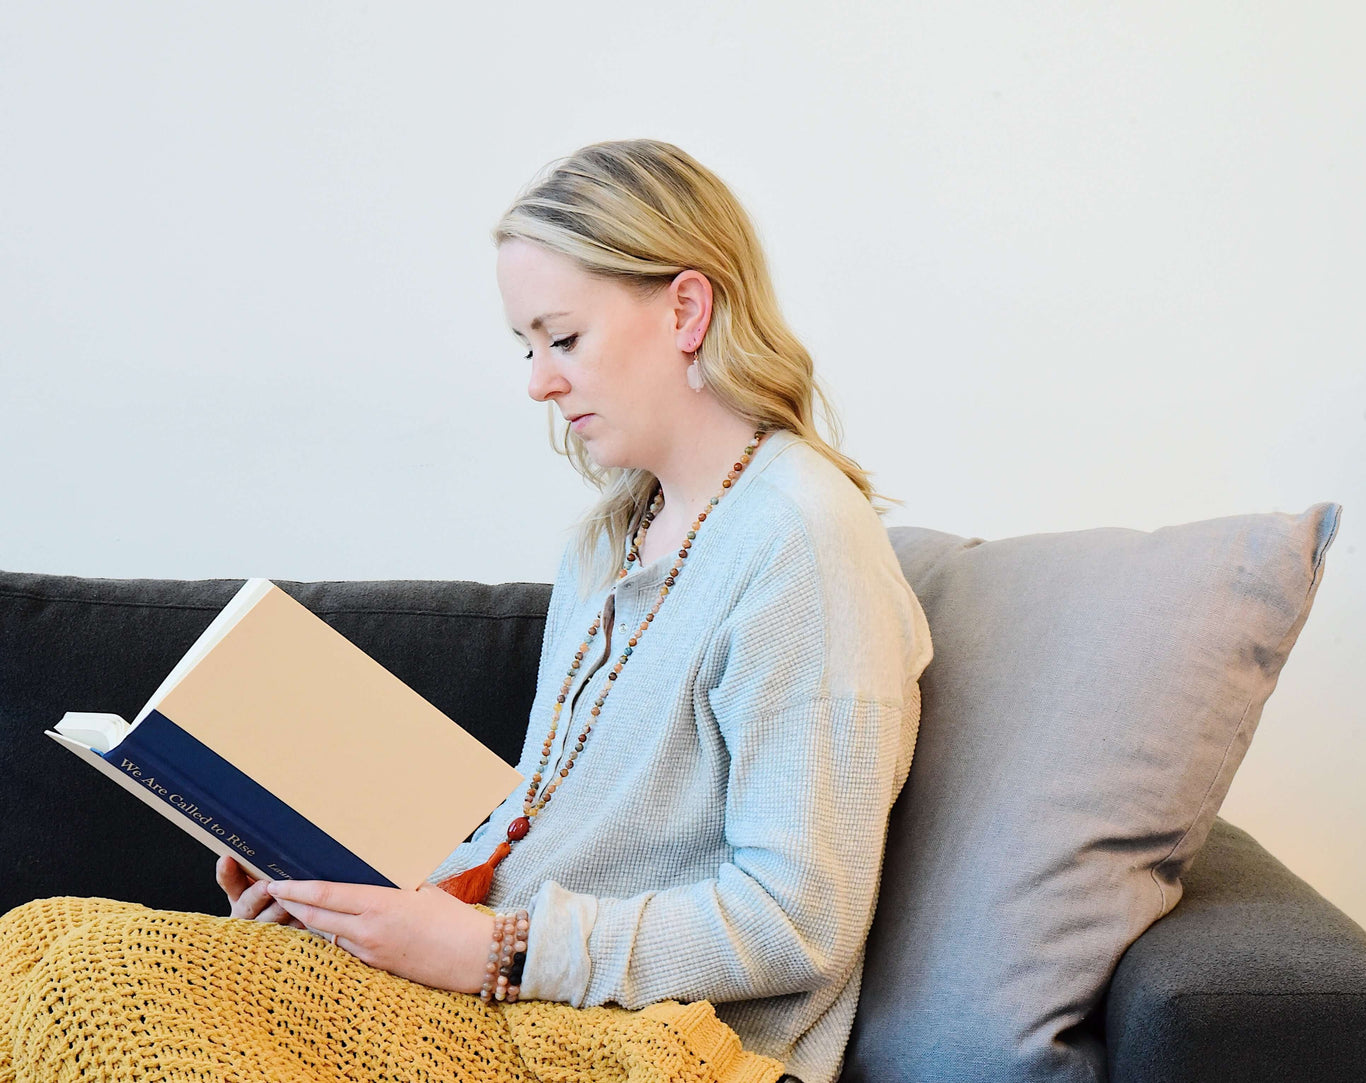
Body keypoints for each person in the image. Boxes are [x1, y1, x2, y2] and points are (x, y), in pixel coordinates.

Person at [0, 138, 932, 1083]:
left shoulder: (803, 540)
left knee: (98, 979)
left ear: (687, 309)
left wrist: (496, 950)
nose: (538, 381)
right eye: (527, 346)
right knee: (34, 940)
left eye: (562, 337)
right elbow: (541, 830)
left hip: (655, 1046)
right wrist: (350, 895)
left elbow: (796, 919)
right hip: (505, 995)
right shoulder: (607, 541)